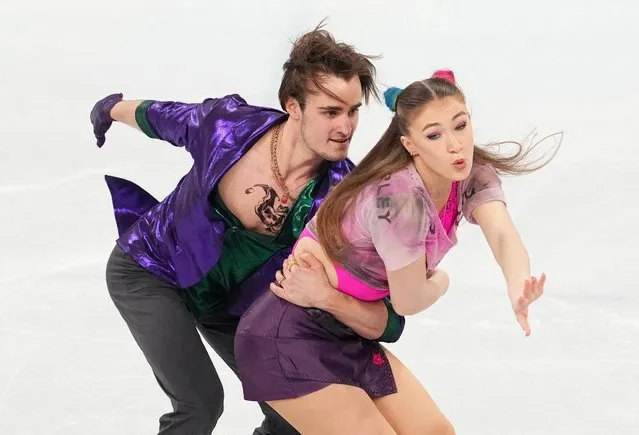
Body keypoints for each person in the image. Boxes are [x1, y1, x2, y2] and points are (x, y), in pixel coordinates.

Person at [90, 23, 407, 435]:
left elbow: (386, 307)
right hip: (151, 271)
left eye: (352, 111)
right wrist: (111, 107)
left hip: (227, 305)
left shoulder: (341, 198)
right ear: (293, 105)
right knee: (200, 402)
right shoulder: (229, 126)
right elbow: (162, 117)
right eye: (330, 111)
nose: (345, 127)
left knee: (295, 411)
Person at [234, 69, 561, 434]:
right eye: (434, 135)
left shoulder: (471, 170)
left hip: (346, 326)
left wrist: (518, 286)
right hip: (287, 333)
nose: (455, 145)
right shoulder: (400, 201)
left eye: (460, 125)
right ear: (410, 145)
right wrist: (442, 282)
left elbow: (501, 233)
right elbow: (408, 301)